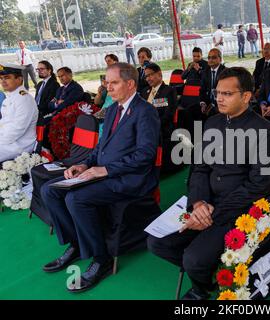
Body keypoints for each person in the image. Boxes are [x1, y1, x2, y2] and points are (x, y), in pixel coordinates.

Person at [148, 67, 270, 300]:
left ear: (246, 96)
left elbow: (257, 186)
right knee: (157, 241)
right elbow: (199, 168)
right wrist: (198, 203)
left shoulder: (266, 131)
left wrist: (211, 214)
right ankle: (214, 273)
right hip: (203, 203)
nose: (219, 98)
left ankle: (202, 285)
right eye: (218, 92)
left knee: (194, 259)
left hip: (237, 210)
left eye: (227, 94)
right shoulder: (212, 122)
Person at [40, 62, 161, 293]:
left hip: (128, 179)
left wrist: (104, 170)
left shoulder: (146, 112)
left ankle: (101, 257)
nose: (108, 87)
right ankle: (76, 243)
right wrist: (84, 163)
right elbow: (102, 146)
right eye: (107, 81)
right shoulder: (114, 108)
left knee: (76, 199)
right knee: (50, 190)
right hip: (102, 172)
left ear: (130, 84)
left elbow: (145, 156)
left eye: (113, 82)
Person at [142, 63, 178, 170]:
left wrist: (151, 127)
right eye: (146, 76)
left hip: (162, 128)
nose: (148, 78)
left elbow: (168, 115)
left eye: (150, 75)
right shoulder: (145, 91)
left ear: (159, 74)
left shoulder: (168, 91)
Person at [0, 63, 38, 162]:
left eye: (7, 78)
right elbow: (4, 123)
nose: (3, 81)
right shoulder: (10, 97)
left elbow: (17, 129)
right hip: (8, 141)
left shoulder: (24, 99)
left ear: (19, 79)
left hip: (20, 145)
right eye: (1, 78)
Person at [199, 48, 227, 120]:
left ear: (220, 59)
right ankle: (198, 131)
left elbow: (227, 93)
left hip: (221, 102)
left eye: (213, 57)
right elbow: (202, 90)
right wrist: (203, 103)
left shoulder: (226, 72)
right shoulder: (205, 72)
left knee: (212, 113)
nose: (210, 60)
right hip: (208, 102)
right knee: (193, 111)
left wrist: (213, 104)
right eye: (209, 58)